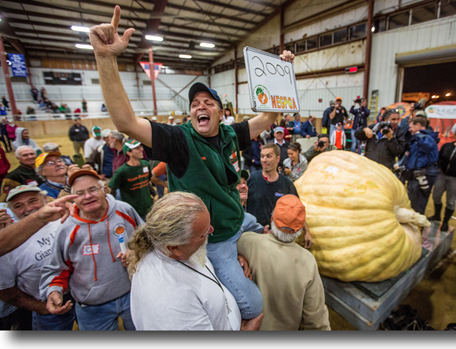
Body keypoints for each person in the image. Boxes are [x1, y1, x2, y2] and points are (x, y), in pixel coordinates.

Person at [90, 7, 297, 321]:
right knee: (253, 306)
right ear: (190, 115)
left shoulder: (231, 133)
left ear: (219, 111)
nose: (200, 106)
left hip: (237, 217)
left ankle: (255, 234)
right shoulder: (178, 141)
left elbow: (268, 117)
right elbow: (125, 121)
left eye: (208, 103)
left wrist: (282, 74)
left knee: (262, 226)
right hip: (214, 238)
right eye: (195, 104)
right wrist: (106, 58)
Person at [128, 192, 263, 330]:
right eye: (204, 233)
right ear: (174, 247)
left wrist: (234, 258)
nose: (212, 230)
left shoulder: (178, 247)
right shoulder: (169, 305)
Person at [40, 169, 143, 331]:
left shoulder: (124, 210)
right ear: (72, 198)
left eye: (93, 189)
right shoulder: (67, 228)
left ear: (104, 190)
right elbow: (58, 268)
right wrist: (54, 290)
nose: (87, 196)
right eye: (80, 193)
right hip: (92, 306)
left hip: (134, 295)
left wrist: (136, 253)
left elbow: (145, 240)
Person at [237, 195, 330, 331]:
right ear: (299, 230)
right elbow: (316, 321)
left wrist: (239, 256)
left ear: (272, 218)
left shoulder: (248, 242)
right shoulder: (308, 261)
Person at [0, 186, 76, 331]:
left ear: (45, 200)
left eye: (32, 201)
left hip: (84, 294)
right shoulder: (8, 242)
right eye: (18, 206)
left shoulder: (63, 219)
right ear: (12, 212)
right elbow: (5, 291)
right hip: (50, 306)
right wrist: (41, 308)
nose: (28, 208)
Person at [246, 143, 312, 248]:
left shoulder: (286, 184)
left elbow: (298, 209)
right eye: (262, 156)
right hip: (254, 237)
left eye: (268, 156)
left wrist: (307, 232)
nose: (264, 160)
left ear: (277, 159)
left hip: (278, 240)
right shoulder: (250, 180)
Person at [108, 140, 154, 220]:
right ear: (129, 153)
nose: (142, 149)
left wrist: (155, 194)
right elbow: (112, 189)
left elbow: (146, 182)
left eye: (141, 147)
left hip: (150, 208)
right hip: (133, 212)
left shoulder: (146, 165)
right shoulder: (121, 171)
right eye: (137, 148)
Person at [403, 116, 439, 214]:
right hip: (414, 174)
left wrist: (418, 134)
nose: (409, 129)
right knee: (412, 200)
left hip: (423, 174)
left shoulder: (427, 137)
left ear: (418, 125)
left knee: (418, 203)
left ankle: (417, 225)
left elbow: (428, 145)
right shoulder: (417, 138)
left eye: (411, 127)